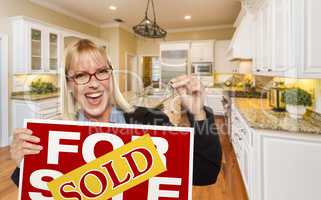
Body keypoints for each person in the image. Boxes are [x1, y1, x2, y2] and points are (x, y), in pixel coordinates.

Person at [10, 39, 222, 186]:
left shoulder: (149, 121)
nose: (93, 83)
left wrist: (199, 114)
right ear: (70, 84)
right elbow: (41, 190)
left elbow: (206, 172)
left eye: (101, 72)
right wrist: (25, 166)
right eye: (81, 75)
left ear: (110, 76)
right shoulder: (55, 138)